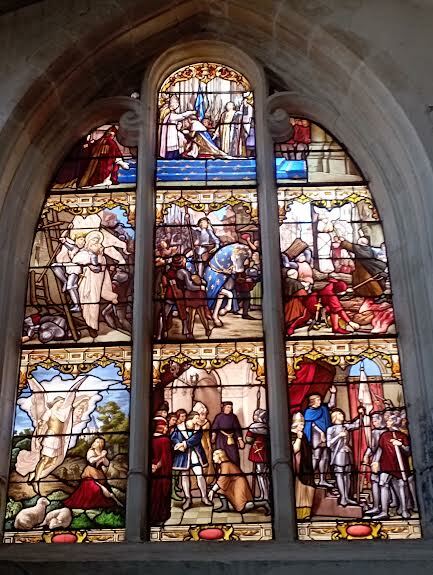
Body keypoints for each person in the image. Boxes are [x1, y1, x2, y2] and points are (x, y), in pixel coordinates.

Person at [71, 230, 118, 337]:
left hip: (96, 283)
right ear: (88, 243)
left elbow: (101, 269)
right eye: (93, 241)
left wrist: (96, 260)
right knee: (84, 301)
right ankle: (87, 322)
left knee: (94, 302)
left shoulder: (101, 257)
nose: (96, 243)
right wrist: (88, 263)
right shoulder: (82, 254)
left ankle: (93, 326)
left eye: (97, 242)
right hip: (84, 281)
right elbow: (75, 261)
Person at [371, 411, 413, 520]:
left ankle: (404, 510)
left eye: (389, 420)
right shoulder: (384, 435)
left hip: (400, 465)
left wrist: (401, 445)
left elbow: (408, 452)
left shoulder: (402, 436)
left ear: (395, 422)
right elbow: (380, 449)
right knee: (382, 484)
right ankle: (384, 512)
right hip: (386, 464)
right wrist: (376, 461)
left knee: (402, 486)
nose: (387, 422)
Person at [171, 411, 212, 510]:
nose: (198, 420)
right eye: (196, 418)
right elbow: (174, 438)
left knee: (200, 475)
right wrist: (178, 444)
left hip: (195, 455)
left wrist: (183, 444)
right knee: (184, 476)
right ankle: (188, 499)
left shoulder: (198, 428)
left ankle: (204, 497)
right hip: (183, 456)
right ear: (191, 418)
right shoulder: (179, 427)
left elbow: (195, 439)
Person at [64, 437, 120, 510]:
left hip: (99, 474)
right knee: (95, 488)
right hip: (90, 472)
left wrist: (104, 457)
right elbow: (91, 460)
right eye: (97, 442)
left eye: (101, 442)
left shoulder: (101, 452)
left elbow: (107, 464)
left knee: (105, 489)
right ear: (94, 443)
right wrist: (101, 456)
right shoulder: (91, 451)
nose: (99, 443)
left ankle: (111, 503)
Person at [208, 449, 270, 514]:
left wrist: (212, 490)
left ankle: (263, 503)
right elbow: (222, 481)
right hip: (233, 484)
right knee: (220, 488)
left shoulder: (226, 465)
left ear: (220, 456)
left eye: (214, 456)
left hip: (239, 484)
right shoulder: (224, 464)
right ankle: (225, 506)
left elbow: (222, 480)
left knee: (242, 508)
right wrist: (214, 489)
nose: (213, 458)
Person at [326, 408, 363, 506]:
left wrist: (361, 414)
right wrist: (339, 436)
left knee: (347, 475)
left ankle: (347, 497)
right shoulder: (331, 429)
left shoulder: (346, 427)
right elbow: (329, 444)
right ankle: (342, 497)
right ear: (335, 416)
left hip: (347, 452)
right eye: (340, 414)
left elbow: (357, 424)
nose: (342, 415)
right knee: (340, 474)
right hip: (338, 454)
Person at [303, 387, 336, 488]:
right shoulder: (308, 412)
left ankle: (322, 480)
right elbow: (312, 425)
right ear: (312, 402)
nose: (320, 401)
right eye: (317, 400)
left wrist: (333, 394)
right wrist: (321, 433)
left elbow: (331, 405)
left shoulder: (323, 408)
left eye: (319, 399)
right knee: (316, 457)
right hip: (316, 436)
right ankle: (310, 478)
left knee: (325, 457)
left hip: (325, 434)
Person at [291, 412, 315, 520]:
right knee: (298, 489)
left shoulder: (303, 435)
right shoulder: (291, 435)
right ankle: (298, 514)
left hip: (305, 465)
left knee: (308, 488)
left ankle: (306, 513)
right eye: (300, 424)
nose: (302, 426)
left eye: (303, 424)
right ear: (295, 424)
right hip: (297, 467)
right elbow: (295, 450)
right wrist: (299, 438)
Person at [150, 417, 173, 524]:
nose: (167, 428)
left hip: (151, 472)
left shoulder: (149, 439)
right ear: (160, 427)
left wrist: (151, 466)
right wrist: (157, 467)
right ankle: (161, 516)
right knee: (161, 494)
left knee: (153, 493)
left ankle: (152, 516)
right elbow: (165, 458)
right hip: (162, 472)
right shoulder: (165, 440)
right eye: (165, 426)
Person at [363, 412, 387, 516]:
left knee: (384, 483)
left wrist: (376, 460)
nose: (374, 423)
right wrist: (366, 455)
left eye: (375, 421)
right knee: (374, 480)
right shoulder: (374, 432)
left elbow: (380, 447)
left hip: (384, 460)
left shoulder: (384, 432)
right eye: (373, 421)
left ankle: (384, 510)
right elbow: (372, 447)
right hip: (376, 459)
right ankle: (376, 507)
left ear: (381, 420)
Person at [245, 408, 269, 502]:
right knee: (265, 473)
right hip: (267, 451)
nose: (254, 416)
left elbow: (248, 439)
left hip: (258, 451)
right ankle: (264, 495)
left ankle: (265, 496)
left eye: (255, 415)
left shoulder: (254, 427)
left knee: (260, 474)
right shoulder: (268, 426)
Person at [211, 401, 244, 467]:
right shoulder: (219, 417)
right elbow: (215, 427)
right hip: (221, 439)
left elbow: (237, 428)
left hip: (232, 439)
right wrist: (213, 436)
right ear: (224, 408)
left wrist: (240, 440)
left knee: (234, 457)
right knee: (222, 456)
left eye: (230, 407)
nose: (229, 409)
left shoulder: (233, 417)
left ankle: (234, 471)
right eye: (228, 407)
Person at [192, 401, 214, 485]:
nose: (204, 416)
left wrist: (209, 446)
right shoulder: (193, 422)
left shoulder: (207, 423)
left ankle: (207, 481)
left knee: (207, 461)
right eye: (202, 414)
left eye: (205, 414)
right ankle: (195, 483)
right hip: (195, 444)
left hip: (204, 444)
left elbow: (207, 435)